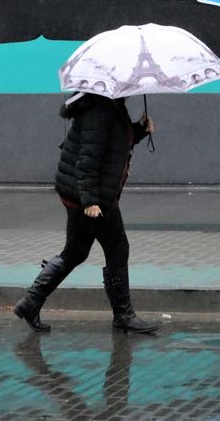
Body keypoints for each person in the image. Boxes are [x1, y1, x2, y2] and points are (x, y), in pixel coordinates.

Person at [13, 92, 158, 334]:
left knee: (76, 251)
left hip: (88, 195)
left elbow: (114, 142)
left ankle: (31, 302)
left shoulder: (110, 106)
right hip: (93, 198)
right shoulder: (100, 111)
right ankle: (123, 314)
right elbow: (87, 159)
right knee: (117, 248)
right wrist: (90, 201)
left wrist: (140, 130)